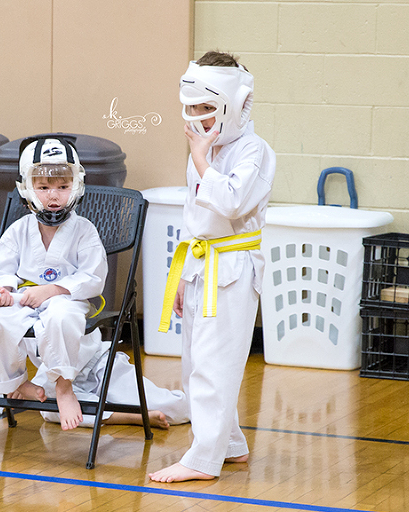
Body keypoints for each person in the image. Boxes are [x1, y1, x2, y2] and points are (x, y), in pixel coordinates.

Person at [148, 51, 276, 483]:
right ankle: (231, 445)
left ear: (235, 104)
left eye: (208, 107)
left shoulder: (253, 150)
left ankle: (203, 459)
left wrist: (201, 158)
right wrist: (184, 277)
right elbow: (195, 218)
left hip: (233, 268)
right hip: (202, 264)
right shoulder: (203, 150)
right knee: (194, 364)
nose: (200, 117)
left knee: (213, 366)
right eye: (194, 107)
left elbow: (232, 202)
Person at [0, 135, 106, 431]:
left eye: (62, 186)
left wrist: (53, 290)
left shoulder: (84, 230)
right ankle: (15, 384)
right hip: (24, 301)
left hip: (66, 301)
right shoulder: (19, 230)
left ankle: (64, 387)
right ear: (26, 188)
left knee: (61, 317)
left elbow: (93, 276)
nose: (53, 195)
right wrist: (3, 290)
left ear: (77, 186)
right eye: (43, 187)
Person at [0, 337, 189, 430]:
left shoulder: (63, 298)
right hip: (53, 377)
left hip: (97, 364)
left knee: (177, 410)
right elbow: (4, 356)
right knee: (47, 409)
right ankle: (132, 417)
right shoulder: (14, 308)